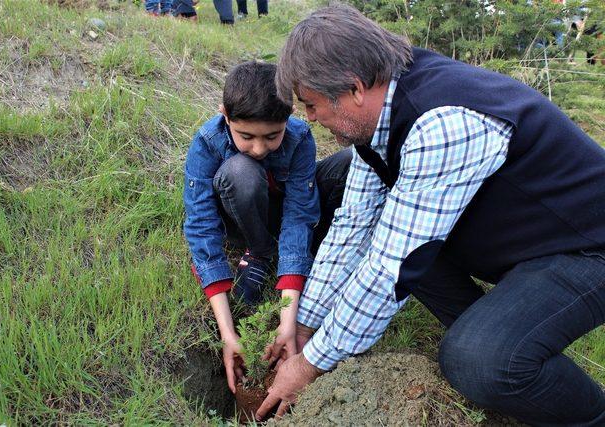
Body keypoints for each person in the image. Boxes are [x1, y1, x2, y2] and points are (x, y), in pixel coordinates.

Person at [256, 5, 605, 426]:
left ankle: (588, 414)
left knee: (477, 360)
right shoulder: (382, 113)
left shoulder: (442, 124)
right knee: (405, 244)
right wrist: (307, 324)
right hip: (526, 236)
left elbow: (390, 269)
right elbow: (354, 228)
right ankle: (502, 334)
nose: (309, 118)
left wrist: (309, 364)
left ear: (354, 88)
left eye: (311, 105)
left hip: (586, 246)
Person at [183, 61, 350, 393]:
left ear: (289, 118)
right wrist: (228, 335)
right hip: (239, 210)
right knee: (241, 171)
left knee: (349, 163)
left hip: (282, 205)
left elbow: (298, 215)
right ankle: (259, 251)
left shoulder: (300, 138)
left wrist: (288, 320)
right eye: (246, 136)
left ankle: (317, 252)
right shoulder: (207, 142)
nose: (259, 149)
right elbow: (202, 227)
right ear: (225, 116)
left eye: (273, 136)